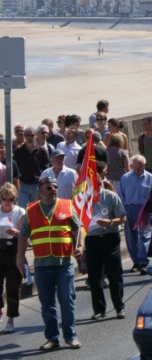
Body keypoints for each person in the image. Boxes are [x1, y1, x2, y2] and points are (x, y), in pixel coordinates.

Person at [16, 176, 84, 350]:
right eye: (48, 187)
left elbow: (78, 228)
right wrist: (20, 256)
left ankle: (71, 336)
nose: (52, 190)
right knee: (47, 304)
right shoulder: (31, 210)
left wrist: (81, 246)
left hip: (64, 264)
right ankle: (53, 339)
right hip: (42, 266)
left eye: (55, 187)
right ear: (40, 191)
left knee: (67, 301)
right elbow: (23, 235)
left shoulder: (67, 205)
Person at [85, 170, 127, 320]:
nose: (93, 188)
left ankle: (119, 307)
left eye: (95, 185)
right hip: (91, 239)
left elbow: (122, 217)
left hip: (110, 237)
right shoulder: (83, 199)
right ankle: (99, 310)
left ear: (100, 183)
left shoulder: (110, 196)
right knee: (94, 276)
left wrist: (109, 222)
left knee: (114, 273)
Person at [118, 155, 152, 273]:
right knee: (131, 237)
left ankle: (143, 261)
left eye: (141, 166)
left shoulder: (150, 178)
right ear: (132, 166)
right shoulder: (125, 177)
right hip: (129, 208)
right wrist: (123, 211)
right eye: (137, 167)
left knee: (145, 235)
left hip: (144, 210)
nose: (139, 169)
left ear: (145, 165)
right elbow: (120, 195)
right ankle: (136, 261)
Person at [0, 183, 24, 333]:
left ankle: (11, 319)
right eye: (4, 199)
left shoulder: (20, 212)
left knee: (12, 286)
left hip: (14, 250)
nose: (7, 202)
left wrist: (16, 232)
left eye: (10, 199)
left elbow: (25, 233)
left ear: (14, 199)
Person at [12, 126, 50, 208]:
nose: (29, 137)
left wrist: (42, 181)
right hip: (22, 186)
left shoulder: (42, 151)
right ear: (24, 136)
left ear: (35, 135)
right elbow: (14, 167)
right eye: (27, 135)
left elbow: (46, 168)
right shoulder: (19, 151)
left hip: (37, 185)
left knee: (35, 210)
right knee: (23, 210)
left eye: (32, 135)